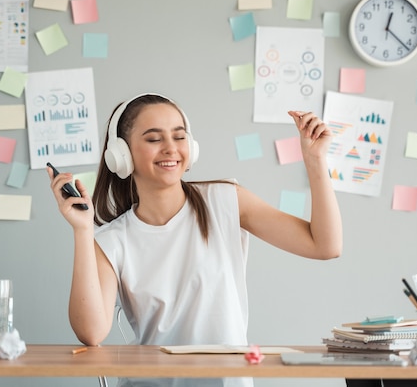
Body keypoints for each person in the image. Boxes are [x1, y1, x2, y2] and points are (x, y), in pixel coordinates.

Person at [48, 93, 343, 387]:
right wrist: (83, 231)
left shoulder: (226, 200)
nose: (170, 149)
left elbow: (325, 245)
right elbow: (92, 332)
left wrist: (316, 160)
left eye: (179, 137)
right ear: (121, 155)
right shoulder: (112, 241)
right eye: (153, 139)